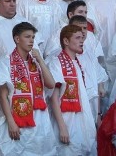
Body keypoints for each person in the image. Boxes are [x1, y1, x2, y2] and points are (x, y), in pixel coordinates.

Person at [0, 22, 57, 156]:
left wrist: (40, 60)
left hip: (39, 119)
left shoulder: (36, 62)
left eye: (33, 37)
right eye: (27, 37)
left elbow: (51, 84)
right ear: (17, 39)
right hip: (15, 117)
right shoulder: (5, 62)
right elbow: (3, 95)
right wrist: (11, 122)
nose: (31, 41)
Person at [46, 24, 96, 156]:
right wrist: (62, 127)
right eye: (78, 37)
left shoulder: (79, 63)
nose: (82, 40)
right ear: (66, 41)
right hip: (66, 121)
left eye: (82, 38)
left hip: (81, 119)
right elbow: (54, 98)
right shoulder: (56, 63)